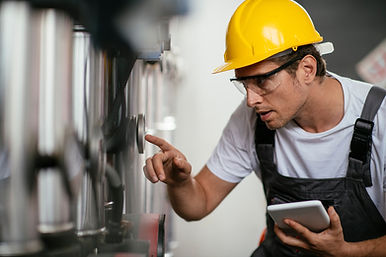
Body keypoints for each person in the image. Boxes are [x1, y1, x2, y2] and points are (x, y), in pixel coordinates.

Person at [143, 0, 386, 256]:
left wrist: (348, 252)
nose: (251, 99)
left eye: (262, 80)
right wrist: (180, 182)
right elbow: (198, 204)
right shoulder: (253, 117)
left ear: (307, 69)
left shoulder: (380, 118)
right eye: (244, 84)